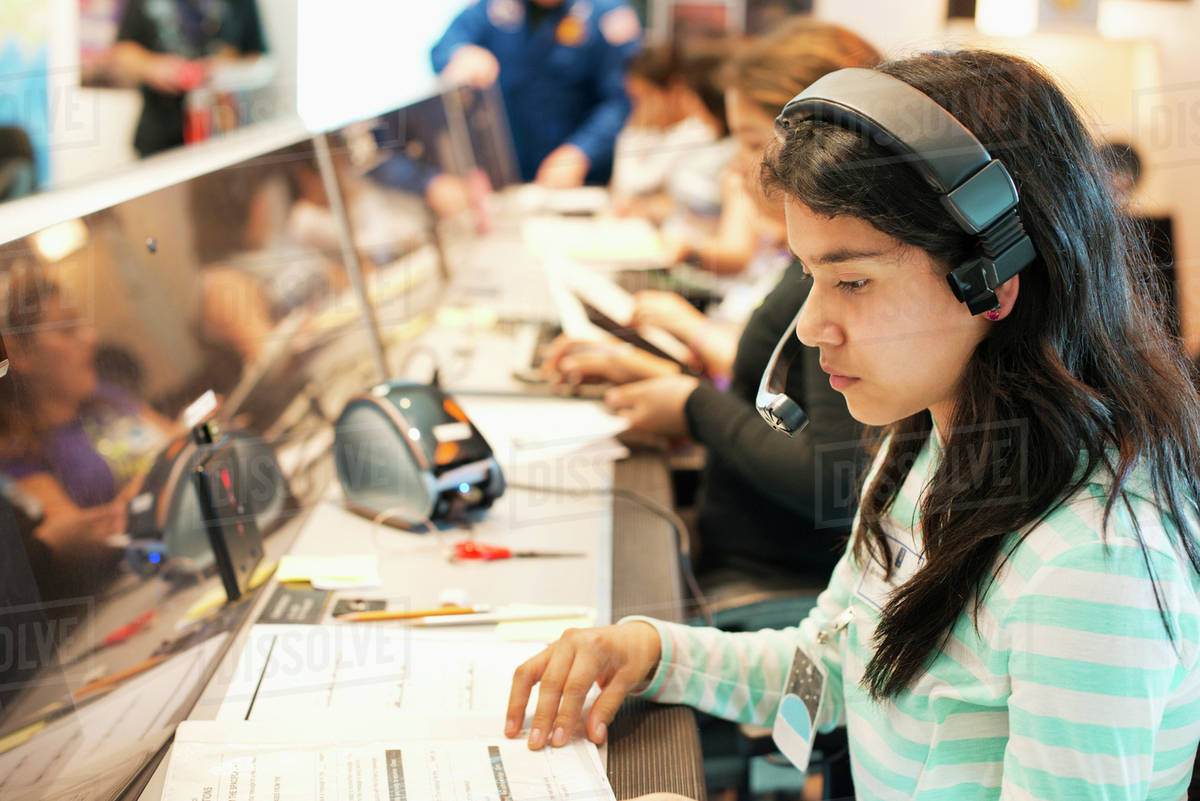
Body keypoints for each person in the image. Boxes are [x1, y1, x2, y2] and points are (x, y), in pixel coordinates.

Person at [505, 51, 1200, 800]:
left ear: (989, 284)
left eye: (853, 281)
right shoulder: (924, 450)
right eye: (809, 275)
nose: (809, 327)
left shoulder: (1089, 564)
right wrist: (650, 651)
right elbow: (834, 666)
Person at [546, 19, 880, 582]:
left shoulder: (837, 281)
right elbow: (785, 404)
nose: (734, 167)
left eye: (750, 143)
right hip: (744, 553)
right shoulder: (814, 266)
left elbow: (832, 483)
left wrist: (693, 407)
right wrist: (657, 372)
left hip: (766, 579)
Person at [431, 0, 642, 187]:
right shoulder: (494, 8)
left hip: (579, 183)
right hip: (508, 176)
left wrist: (582, 151)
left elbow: (622, 101)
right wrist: (460, 54)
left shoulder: (610, 14)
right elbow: (442, 49)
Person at [111, 0, 268, 157]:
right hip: (160, 135)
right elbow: (122, 49)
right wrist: (152, 66)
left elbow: (259, 58)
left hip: (225, 133)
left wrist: (224, 69)